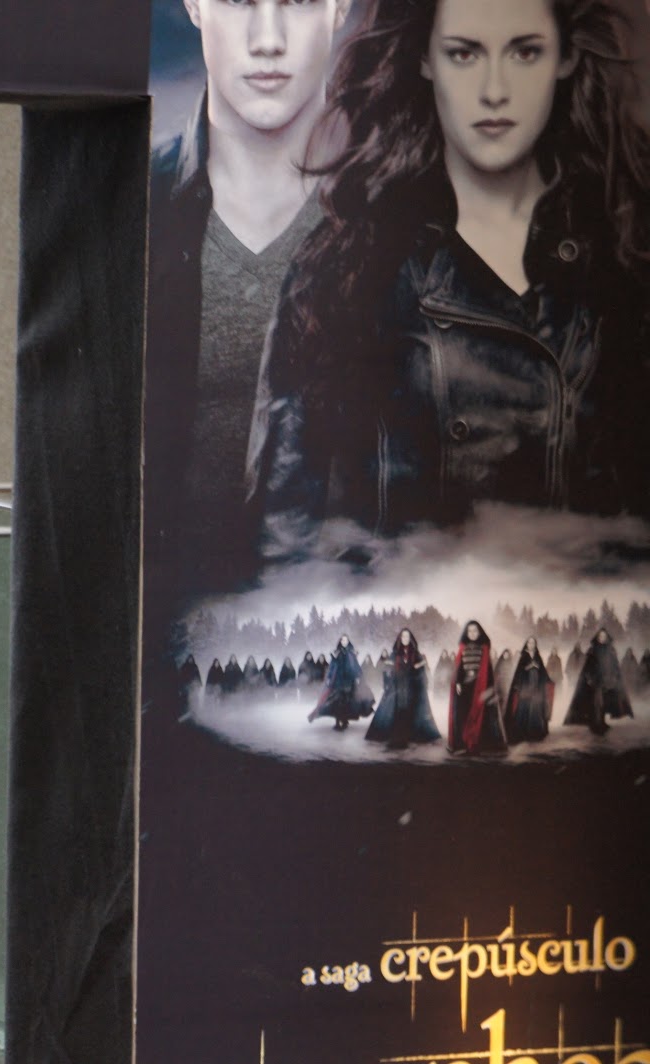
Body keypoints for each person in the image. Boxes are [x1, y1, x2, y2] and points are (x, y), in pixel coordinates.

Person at [247, 0, 650, 565]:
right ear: (425, 58)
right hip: (407, 617)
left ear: (564, 58)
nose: (494, 91)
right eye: (465, 53)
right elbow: (283, 541)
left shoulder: (627, 255)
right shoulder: (344, 270)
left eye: (524, 52)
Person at [147, 0, 352, 597]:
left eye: (298, 1)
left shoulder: (404, 218)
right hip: (151, 632)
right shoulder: (129, 207)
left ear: (341, 6)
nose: (268, 39)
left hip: (343, 624)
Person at [365, 628, 440, 748]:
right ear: (400, 638)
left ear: (410, 639)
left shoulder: (415, 653)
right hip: (398, 686)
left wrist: (417, 671)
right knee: (397, 710)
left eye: (407, 636)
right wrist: (389, 681)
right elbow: (387, 669)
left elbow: (421, 668)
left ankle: (409, 735)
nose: (405, 638)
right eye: (403, 636)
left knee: (411, 710)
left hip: (411, 686)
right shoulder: (395, 653)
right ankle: (398, 736)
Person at [448, 620, 507, 755]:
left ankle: (477, 744)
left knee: (480, 715)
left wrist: (489, 688)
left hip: (479, 686)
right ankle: (463, 744)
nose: (472, 633)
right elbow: (459, 668)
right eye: (470, 631)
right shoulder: (462, 648)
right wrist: (458, 682)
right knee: (463, 714)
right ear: (466, 633)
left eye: (475, 630)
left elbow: (488, 670)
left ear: (479, 632)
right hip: (464, 687)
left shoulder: (484, 648)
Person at [564, 627, 634, 734]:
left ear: (607, 637)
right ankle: (596, 724)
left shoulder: (611, 650)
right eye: (600, 636)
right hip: (596, 682)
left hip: (607, 681)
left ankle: (601, 722)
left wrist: (614, 678)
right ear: (597, 637)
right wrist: (590, 678)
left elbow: (615, 666)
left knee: (604, 703)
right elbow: (587, 666)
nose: (602, 638)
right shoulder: (592, 650)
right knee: (597, 703)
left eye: (604, 636)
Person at [308, 634, 373, 729]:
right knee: (337, 702)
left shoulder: (352, 653)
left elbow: (355, 666)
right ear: (340, 641)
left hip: (349, 681)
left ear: (348, 641)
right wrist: (329, 678)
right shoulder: (336, 653)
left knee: (347, 702)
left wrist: (358, 677)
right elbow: (332, 667)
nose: (344, 642)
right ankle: (338, 722)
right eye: (342, 640)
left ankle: (344, 720)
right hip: (338, 681)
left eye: (346, 640)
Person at [504, 636, 555, 743]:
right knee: (524, 708)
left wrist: (548, 679)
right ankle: (522, 734)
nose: (531, 645)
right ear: (526, 644)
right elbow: (519, 671)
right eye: (529, 642)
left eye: (533, 643)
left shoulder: (538, 656)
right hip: (526, 687)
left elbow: (543, 671)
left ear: (535, 644)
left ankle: (535, 734)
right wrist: (529, 666)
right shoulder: (523, 656)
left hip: (537, 687)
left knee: (536, 708)